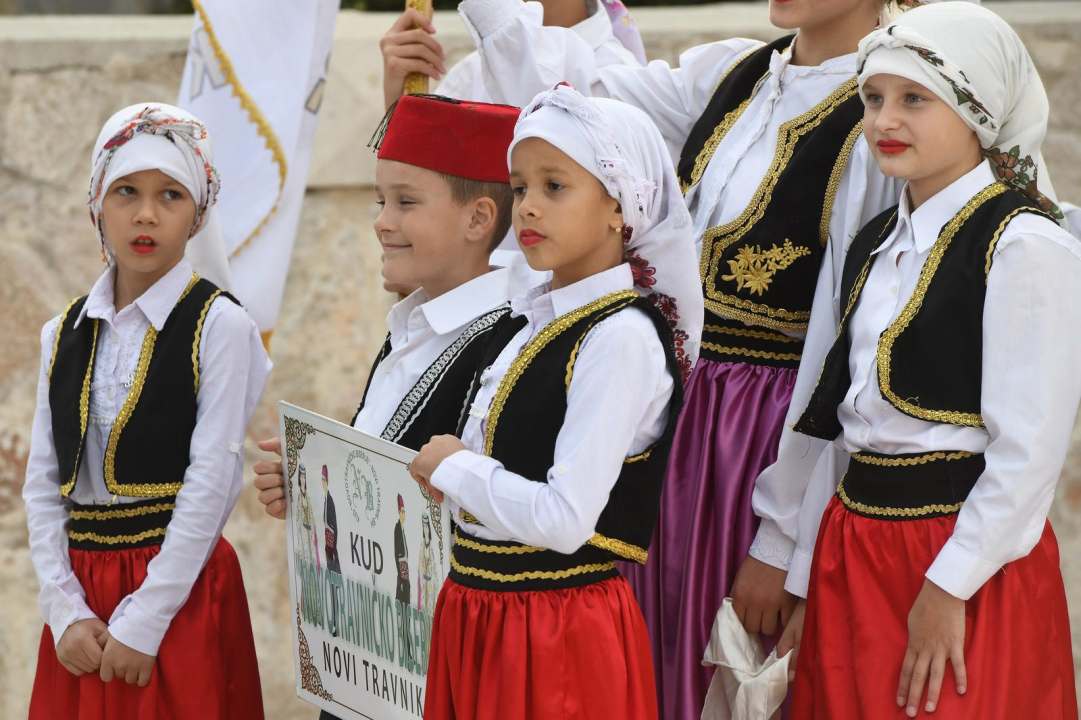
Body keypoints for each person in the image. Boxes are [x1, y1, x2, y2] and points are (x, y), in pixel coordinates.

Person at [444, 1, 907, 715]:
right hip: (682, 416)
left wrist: (786, 542)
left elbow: (842, 346)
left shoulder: (879, 118)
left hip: (763, 438)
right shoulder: (734, 71)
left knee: (724, 664)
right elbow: (577, 111)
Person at [768, 5, 1079, 718]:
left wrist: (948, 587)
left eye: (913, 99)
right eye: (872, 98)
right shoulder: (877, 241)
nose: (883, 120)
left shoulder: (1023, 245)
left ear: (977, 109)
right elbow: (844, 429)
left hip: (958, 562)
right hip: (854, 551)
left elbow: (1026, 455)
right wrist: (805, 576)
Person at [407, 83, 701, 720]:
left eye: (555, 186)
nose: (528, 208)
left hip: (553, 628)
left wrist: (457, 467)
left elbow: (566, 520)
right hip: (483, 610)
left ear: (620, 206)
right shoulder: (534, 321)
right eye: (519, 188)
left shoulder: (619, 337)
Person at [250, 93, 529, 720]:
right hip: (369, 666)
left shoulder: (509, 344)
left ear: (480, 218)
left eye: (405, 201)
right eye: (381, 201)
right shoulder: (412, 324)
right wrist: (306, 486)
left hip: (439, 671)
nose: (381, 220)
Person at [24, 103, 269, 719]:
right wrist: (65, 612)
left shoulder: (220, 326)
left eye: (171, 195)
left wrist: (146, 619)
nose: (146, 214)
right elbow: (41, 485)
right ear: (98, 204)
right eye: (126, 191)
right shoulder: (64, 331)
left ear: (198, 215)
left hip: (175, 590)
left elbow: (213, 482)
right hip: (84, 597)